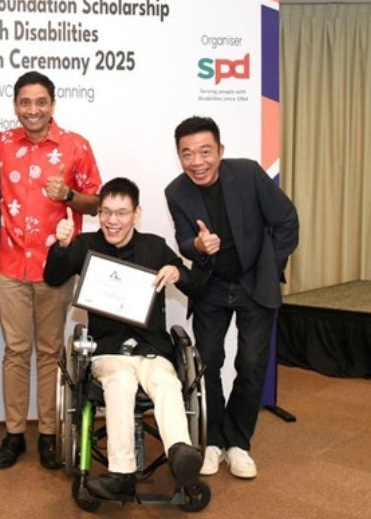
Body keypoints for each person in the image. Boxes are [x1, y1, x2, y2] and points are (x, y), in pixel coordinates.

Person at [44, 177, 203, 498]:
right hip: (108, 351)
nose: (112, 221)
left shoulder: (155, 247)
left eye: (121, 213)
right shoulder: (86, 244)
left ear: (136, 214)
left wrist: (178, 273)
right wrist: (61, 248)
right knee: (120, 383)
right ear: (98, 213)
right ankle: (121, 473)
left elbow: (194, 286)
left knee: (166, 381)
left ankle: (181, 452)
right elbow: (52, 276)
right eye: (105, 212)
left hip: (151, 349)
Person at [165, 116, 299, 479]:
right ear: (178, 156)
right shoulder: (176, 191)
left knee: (252, 365)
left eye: (205, 151)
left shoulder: (249, 174)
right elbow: (182, 241)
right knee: (207, 363)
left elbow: (287, 220)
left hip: (255, 282)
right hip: (211, 286)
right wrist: (197, 245)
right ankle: (213, 441)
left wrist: (270, 264)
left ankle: (238, 443)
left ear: (220, 151)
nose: (197, 161)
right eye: (187, 153)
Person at [0, 71, 102, 470]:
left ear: (52, 104)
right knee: (16, 351)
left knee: (51, 352)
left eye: (40, 102)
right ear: (15, 105)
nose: (32, 110)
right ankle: (15, 433)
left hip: (55, 266)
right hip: (9, 264)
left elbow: (97, 203)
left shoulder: (76, 146)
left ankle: (50, 434)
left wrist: (69, 195)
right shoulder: (0, 144)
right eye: (25, 102)